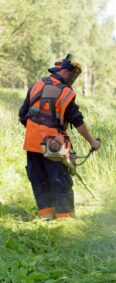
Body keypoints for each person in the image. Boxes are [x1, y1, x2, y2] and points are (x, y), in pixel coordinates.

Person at [19, 54, 101, 220]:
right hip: (53, 143)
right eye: (72, 75)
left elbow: (22, 115)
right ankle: (65, 221)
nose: (72, 79)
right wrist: (93, 142)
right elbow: (77, 121)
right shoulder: (65, 92)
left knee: (39, 179)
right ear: (63, 71)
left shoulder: (37, 84)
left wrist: (37, 130)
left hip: (32, 141)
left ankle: (46, 217)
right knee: (61, 181)